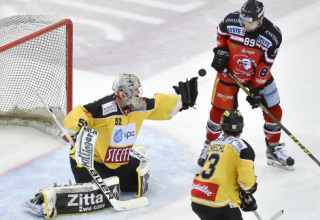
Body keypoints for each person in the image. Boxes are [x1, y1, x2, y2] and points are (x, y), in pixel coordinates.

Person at [22, 73, 198, 218]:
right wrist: (72, 129)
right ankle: (43, 201)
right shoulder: (103, 108)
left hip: (117, 160)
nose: (137, 93)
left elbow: (157, 105)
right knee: (94, 197)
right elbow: (82, 113)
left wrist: (182, 102)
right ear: (122, 93)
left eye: (137, 89)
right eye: (133, 91)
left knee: (135, 186)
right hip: (90, 160)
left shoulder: (138, 105)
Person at [197, 0, 294, 171]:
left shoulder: (272, 35)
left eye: (251, 22)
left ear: (261, 19)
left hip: (257, 76)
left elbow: (266, 64)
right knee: (218, 112)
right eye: (244, 21)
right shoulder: (232, 20)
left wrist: (257, 88)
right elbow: (221, 33)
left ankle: (274, 150)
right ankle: (209, 146)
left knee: (274, 111)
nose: (246, 25)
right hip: (230, 73)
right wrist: (221, 51)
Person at [191, 110, 258, 220]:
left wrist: (243, 194)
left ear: (222, 126)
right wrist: (248, 192)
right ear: (241, 126)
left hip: (199, 196)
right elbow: (246, 183)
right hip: (220, 203)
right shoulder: (243, 148)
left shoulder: (213, 144)